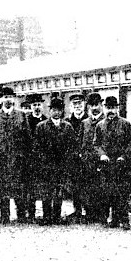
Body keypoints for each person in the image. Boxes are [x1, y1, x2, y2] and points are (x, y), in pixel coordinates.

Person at [0, 86, 31, 224]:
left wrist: (26, 156)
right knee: (3, 188)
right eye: (5, 97)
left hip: (17, 158)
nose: (8, 100)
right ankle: (4, 215)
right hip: (1, 158)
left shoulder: (21, 115)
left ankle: (21, 215)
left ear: (14, 99)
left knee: (19, 187)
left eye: (10, 97)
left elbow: (27, 138)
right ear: (1, 100)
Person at [93, 96, 131, 231]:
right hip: (107, 166)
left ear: (117, 109)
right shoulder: (100, 125)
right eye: (107, 108)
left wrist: (124, 156)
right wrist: (102, 155)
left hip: (121, 166)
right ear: (104, 109)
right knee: (108, 193)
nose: (110, 111)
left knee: (122, 194)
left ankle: (125, 220)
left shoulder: (125, 124)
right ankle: (113, 219)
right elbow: (96, 144)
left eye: (112, 108)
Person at [33, 97, 76, 225]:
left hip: (61, 166)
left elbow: (72, 146)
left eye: (59, 110)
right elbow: (37, 147)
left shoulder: (67, 127)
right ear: (50, 110)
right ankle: (47, 216)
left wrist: (67, 163)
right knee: (46, 192)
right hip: (46, 165)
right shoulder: (41, 127)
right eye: (54, 110)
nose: (56, 113)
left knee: (59, 192)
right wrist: (41, 162)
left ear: (62, 111)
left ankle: (56, 216)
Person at [16, 94, 48, 223]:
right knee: (26, 187)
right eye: (34, 105)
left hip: (41, 159)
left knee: (40, 186)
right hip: (27, 159)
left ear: (43, 106)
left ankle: (40, 213)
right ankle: (26, 213)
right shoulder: (26, 120)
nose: (37, 107)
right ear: (31, 107)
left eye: (39, 105)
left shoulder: (46, 121)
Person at [79, 92, 108, 224]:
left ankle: (102, 215)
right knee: (88, 188)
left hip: (102, 161)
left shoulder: (107, 121)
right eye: (92, 105)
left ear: (101, 105)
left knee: (102, 189)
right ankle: (90, 214)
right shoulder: (85, 123)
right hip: (87, 162)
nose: (94, 108)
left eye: (97, 105)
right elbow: (80, 142)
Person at [65, 93, 89, 223]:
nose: (77, 106)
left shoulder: (88, 120)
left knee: (87, 185)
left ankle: (88, 211)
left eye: (80, 103)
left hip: (86, 159)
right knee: (75, 186)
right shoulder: (67, 122)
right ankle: (77, 210)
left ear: (84, 105)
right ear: (71, 106)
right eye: (75, 104)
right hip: (73, 160)